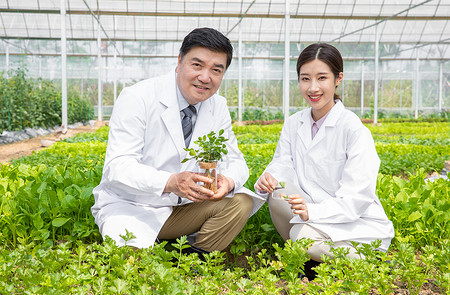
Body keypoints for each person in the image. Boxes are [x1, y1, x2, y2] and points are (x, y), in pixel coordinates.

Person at [92, 27, 261, 256]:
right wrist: (171, 182)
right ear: (180, 61)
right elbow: (118, 166)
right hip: (132, 206)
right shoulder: (137, 97)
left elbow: (236, 161)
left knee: (240, 202)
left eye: (216, 70)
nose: (205, 77)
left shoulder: (217, 105)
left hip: (184, 209)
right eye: (197, 65)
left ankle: (195, 257)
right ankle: (157, 255)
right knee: (130, 262)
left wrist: (228, 182)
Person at [255, 43, 394, 279]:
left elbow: (356, 198)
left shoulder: (353, 129)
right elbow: (282, 163)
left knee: (301, 236)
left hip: (356, 222)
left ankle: (367, 261)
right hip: (312, 212)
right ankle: (314, 260)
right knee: (278, 193)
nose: (313, 88)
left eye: (322, 78)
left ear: (338, 79)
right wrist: (269, 178)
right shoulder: (293, 123)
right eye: (305, 78)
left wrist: (313, 211)